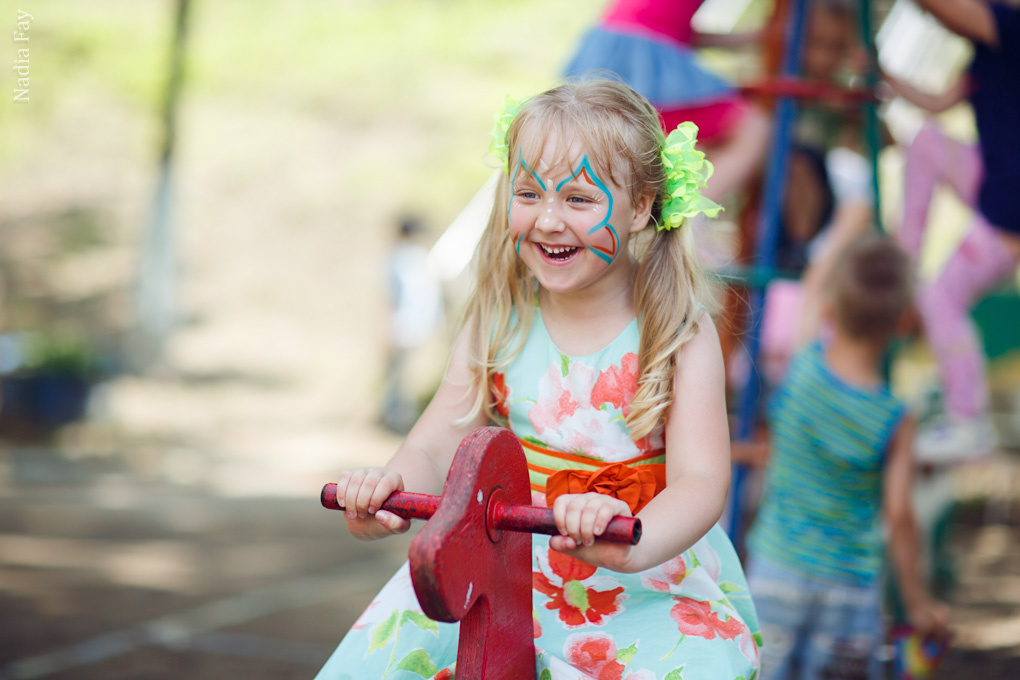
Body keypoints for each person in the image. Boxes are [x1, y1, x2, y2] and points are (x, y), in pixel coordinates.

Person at [316, 79, 761, 679]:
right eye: (529, 192)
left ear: (640, 207)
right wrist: (389, 488)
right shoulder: (498, 320)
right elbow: (432, 443)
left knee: (699, 665)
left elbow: (701, 479)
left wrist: (633, 544)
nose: (548, 220)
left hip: (636, 574)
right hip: (502, 563)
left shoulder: (678, 332)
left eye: (579, 199)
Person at [744, 234, 950, 680]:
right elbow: (899, 516)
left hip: (777, 569)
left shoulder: (801, 367)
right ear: (904, 322)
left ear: (830, 310)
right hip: (850, 587)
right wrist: (916, 604)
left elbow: (816, 281)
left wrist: (851, 222)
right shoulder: (894, 418)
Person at [883, 0, 1020, 460]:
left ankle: (968, 420)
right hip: (993, 184)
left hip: (1008, 217)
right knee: (926, 142)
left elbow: (945, 8)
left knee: (941, 300)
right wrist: (881, 72)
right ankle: (906, 263)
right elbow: (935, 103)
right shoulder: (987, 53)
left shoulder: (1010, 25)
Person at [564, 0, 770, 203]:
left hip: (621, 47)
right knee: (751, 128)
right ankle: (690, 217)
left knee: (646, 150)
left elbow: (673, 25)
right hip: (641, 57)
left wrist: (753, 37)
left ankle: (673, 214)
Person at [381, 216, 444, 433]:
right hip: (419, 326)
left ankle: (395, 416)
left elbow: (392, 297)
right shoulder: (422, 259)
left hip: (403, 325)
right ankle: (399, 415)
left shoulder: (398, 258)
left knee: (398, 374)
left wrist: (386, 329)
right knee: (404, 374)